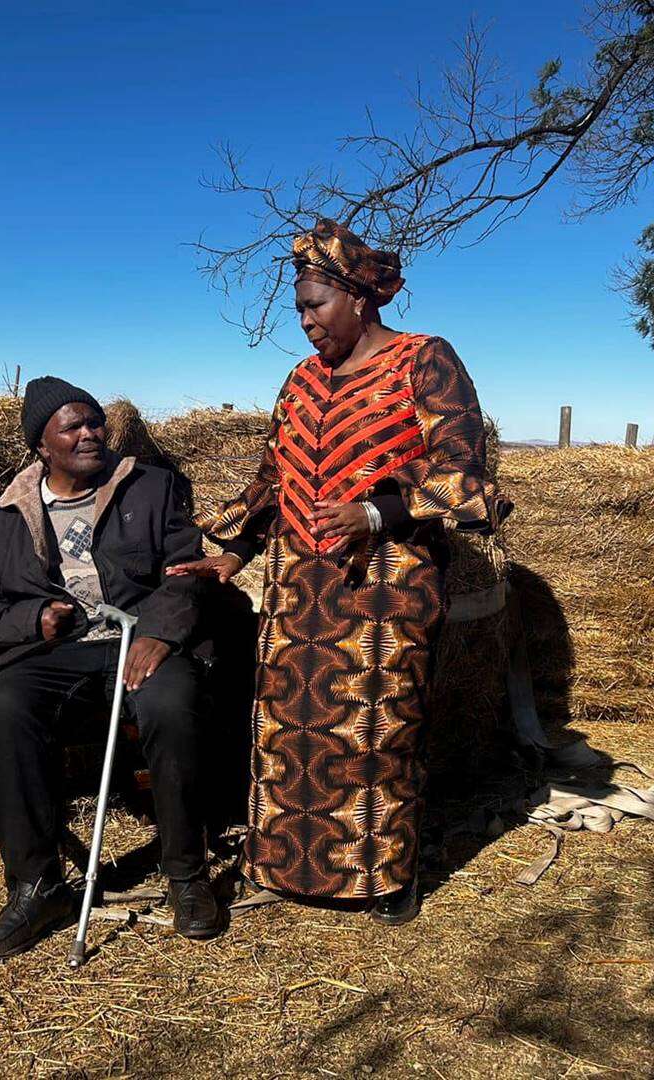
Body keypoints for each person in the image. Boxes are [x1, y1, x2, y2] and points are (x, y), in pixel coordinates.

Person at [169, 219, 502, 924]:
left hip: (387, 579)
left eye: (315, 305)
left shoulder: (424, 360)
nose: (306, 322)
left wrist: (378, 514)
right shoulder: (300, 380)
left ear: (358, 299)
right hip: (298, 587)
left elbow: (466, 473)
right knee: (288, 730)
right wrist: (233, 552)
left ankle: (386, 877)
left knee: (379, 728)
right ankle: (284, 866)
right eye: (298, 309)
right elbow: (272, 480)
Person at [0, 377, 221, 960]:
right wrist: (32, 622)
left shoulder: (150, 489)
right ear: (41, 446)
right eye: (71, 426)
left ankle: (186, 873)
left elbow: (187, 572)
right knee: (6, 707)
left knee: (169, 703)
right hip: (58, 651)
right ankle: (37, 885)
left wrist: (158, 635)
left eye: (94, 421)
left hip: (139, 640)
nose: (89, 434)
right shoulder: (0, 519)